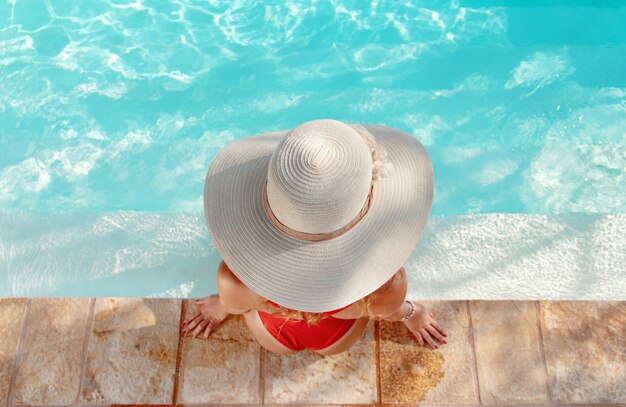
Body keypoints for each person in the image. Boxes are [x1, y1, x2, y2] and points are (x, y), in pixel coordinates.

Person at [182, 119, 447, 355]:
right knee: (365, 307)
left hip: (272, 335)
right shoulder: (388, 284)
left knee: (248, 305)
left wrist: (222, 306)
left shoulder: (232, 279)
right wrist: (410, 313)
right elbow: (387, 311)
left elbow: (236, 305)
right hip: (336, 338)